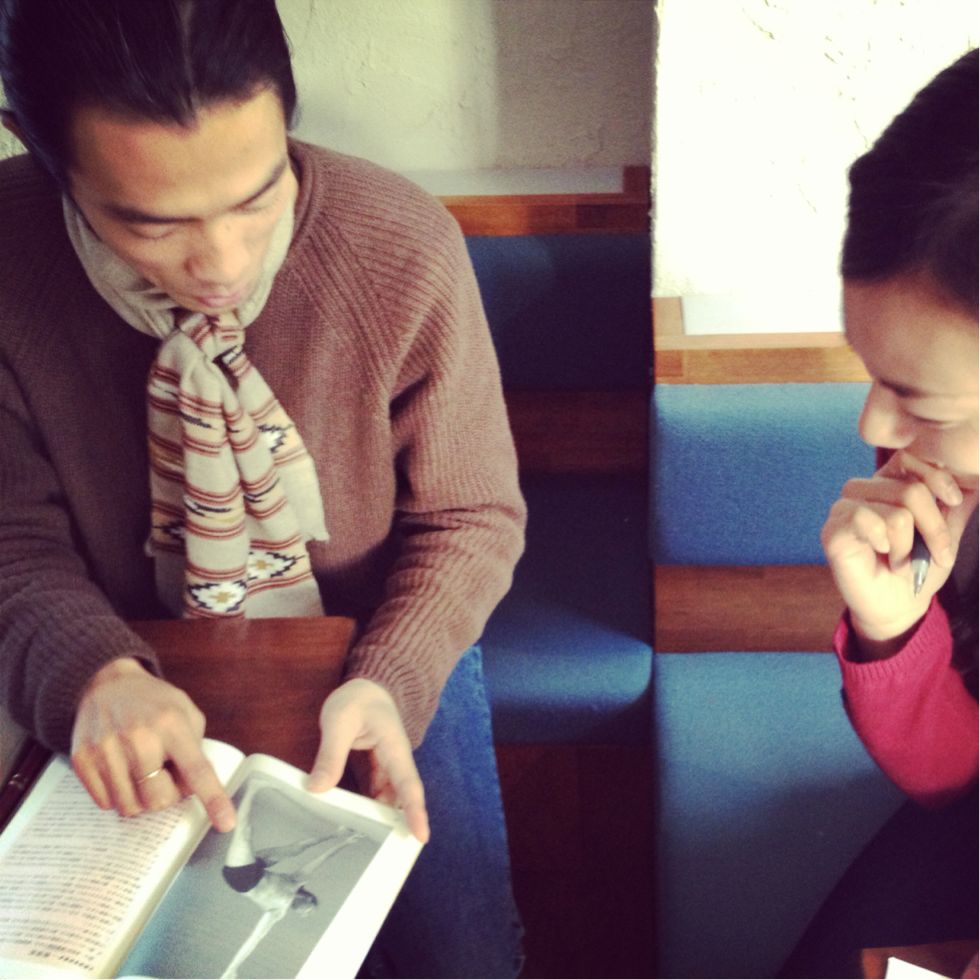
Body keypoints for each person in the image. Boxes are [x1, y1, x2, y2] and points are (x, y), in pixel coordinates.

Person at [0, 1, 526, 976]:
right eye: (152, 222)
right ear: (34, 146)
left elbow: (470, 516)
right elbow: (10, 538)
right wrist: (93, 676)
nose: (224, 267)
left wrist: (390, 675)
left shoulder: (398, 244)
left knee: (459, 957)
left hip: (374, 635)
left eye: (256, 195)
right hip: (109, 649)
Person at [782, 49, 978, 979]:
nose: (872, 426)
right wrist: (894, 630)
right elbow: (957, 780)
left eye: (918, 400)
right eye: (872, 374)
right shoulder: (945, 482)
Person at [220, 780, 363, 979]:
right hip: (260, 868)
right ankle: (335, 832)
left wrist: (232, 968)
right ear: (309, 899)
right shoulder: (297, 881)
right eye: (309, 910)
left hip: (241, 877)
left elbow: (254, 939)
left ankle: (254, 787)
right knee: (297, 848)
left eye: (305, 915)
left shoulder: (277, 911)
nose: (304, 914)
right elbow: (321, 859)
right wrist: (344, 842)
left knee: (244, 833)